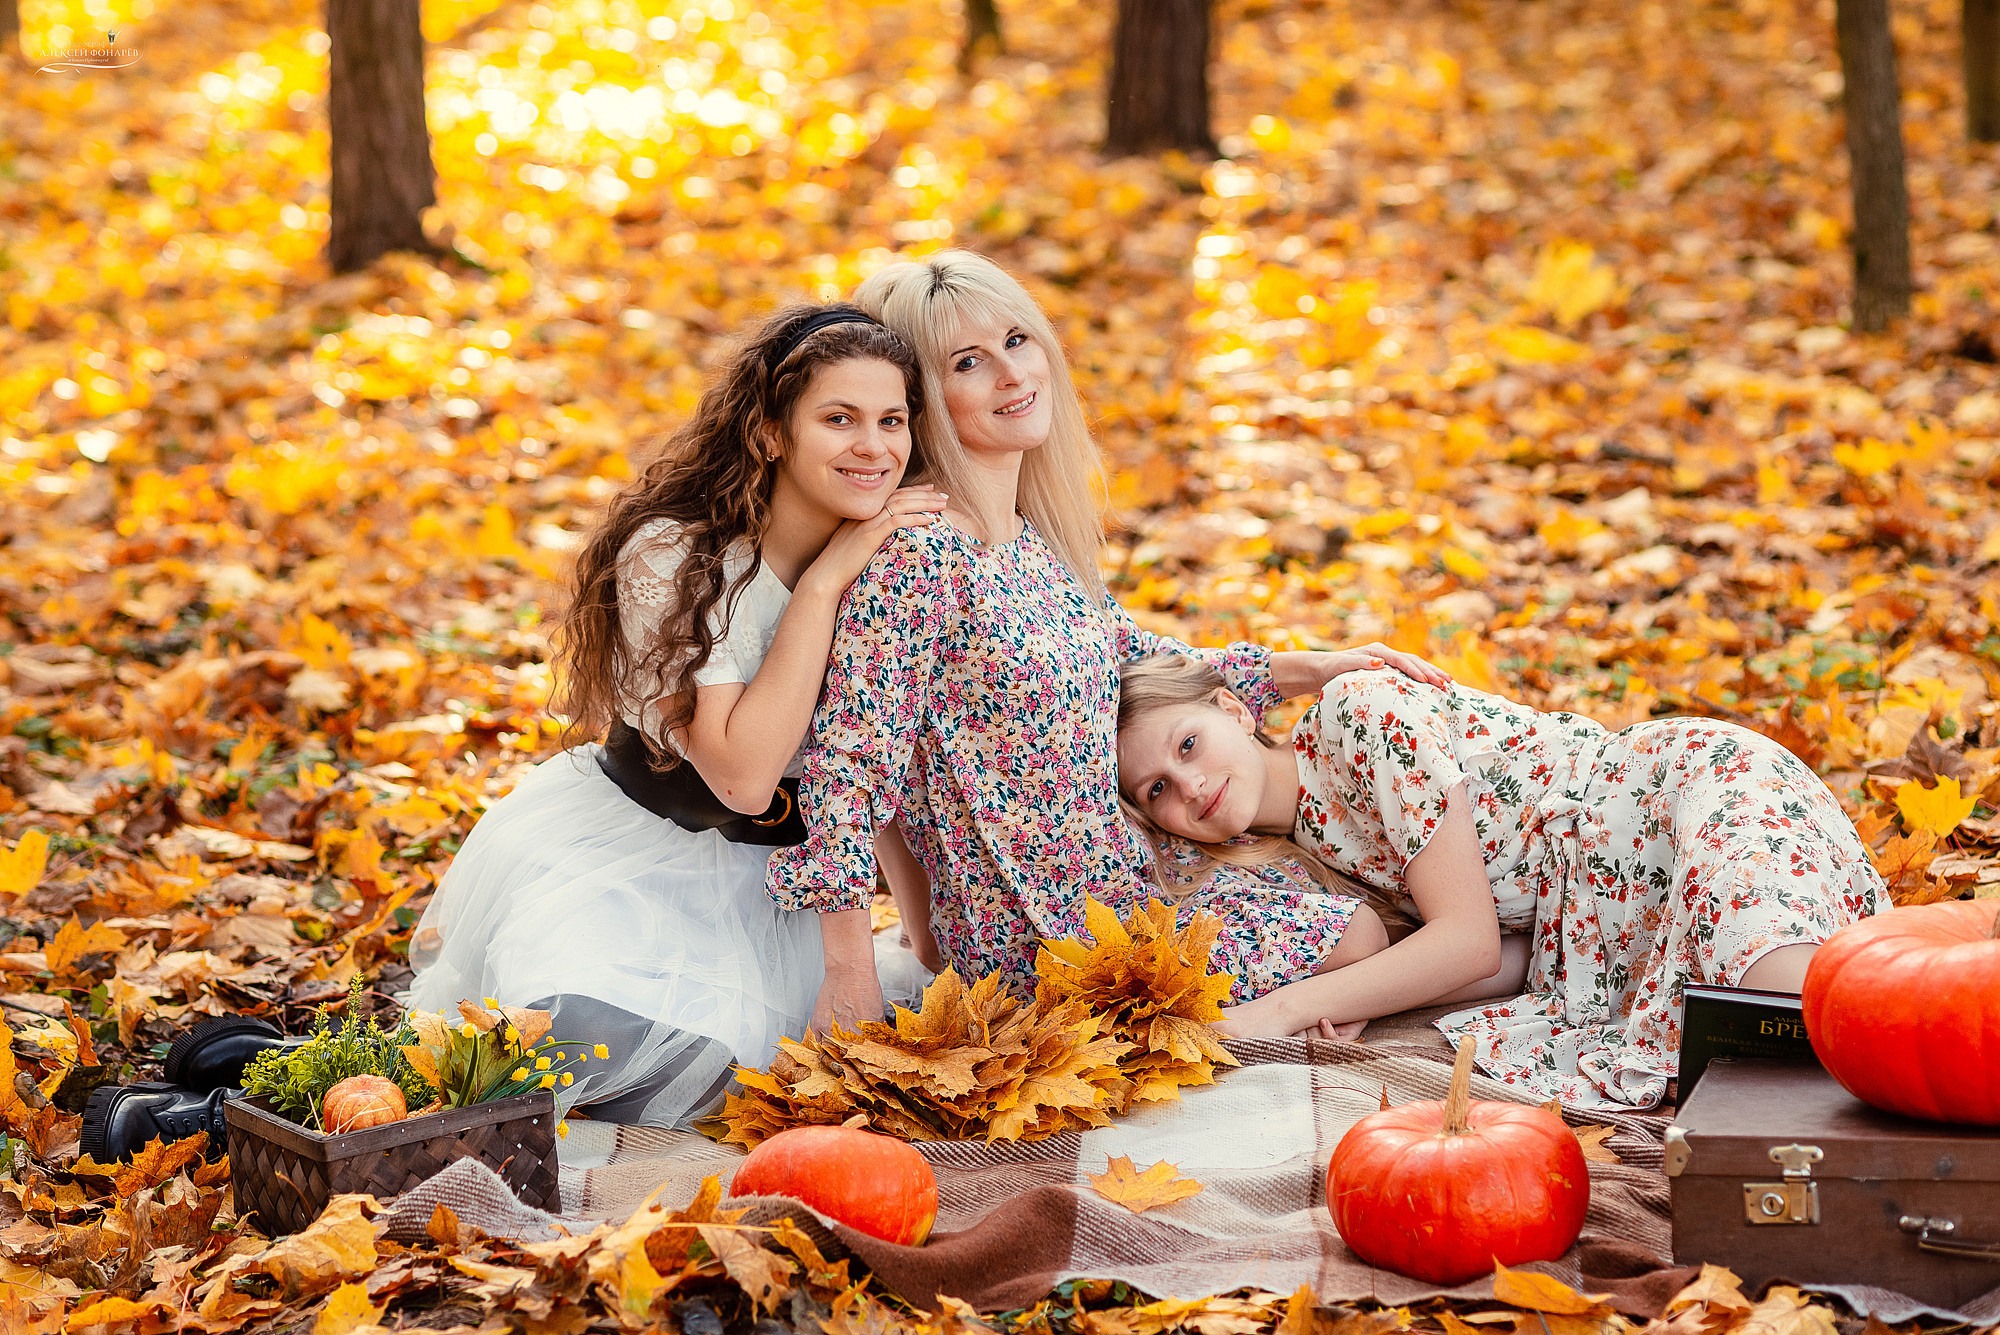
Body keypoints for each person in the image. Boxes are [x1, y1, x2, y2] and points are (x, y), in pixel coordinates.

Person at [764, 251, 1448, 1031]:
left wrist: (1311, 667)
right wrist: (851, 973)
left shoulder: (1023, 540)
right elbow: (846, 769)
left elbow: (1129, 654)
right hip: (1045, 937)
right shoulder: (920, 557)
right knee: (1357, 936)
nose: (1013, 375)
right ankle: (1305, 1015)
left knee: (1360, 897)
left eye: (1018, 341)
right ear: (920, 398)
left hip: (1123, 879)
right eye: (969, 363)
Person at [404, 304, 946, 1126]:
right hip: (632, 862)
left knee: (820, 1081)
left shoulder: (895, 562)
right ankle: (229, 1091)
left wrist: (925, 942)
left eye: (891, 421)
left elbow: (884, 773)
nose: (873, 448)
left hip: (774, 896)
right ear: (769, 433)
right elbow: (741, 773)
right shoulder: (677, 554)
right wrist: (826, 583)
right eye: (840, 419)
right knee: (563, 1038)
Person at [1113, 654, 1886, 1108]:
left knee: (1808, 999)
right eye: (1155, 790)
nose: (1189, 785)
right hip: (1614, 935)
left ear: (1234, 708)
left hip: (1670, 802)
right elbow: (1513, 956)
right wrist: (1379, 987)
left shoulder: (1359, 714)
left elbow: (1470, 945)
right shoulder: (1310, 859)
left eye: (1189, 742)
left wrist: (1284, 1010)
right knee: (1768, 1047)